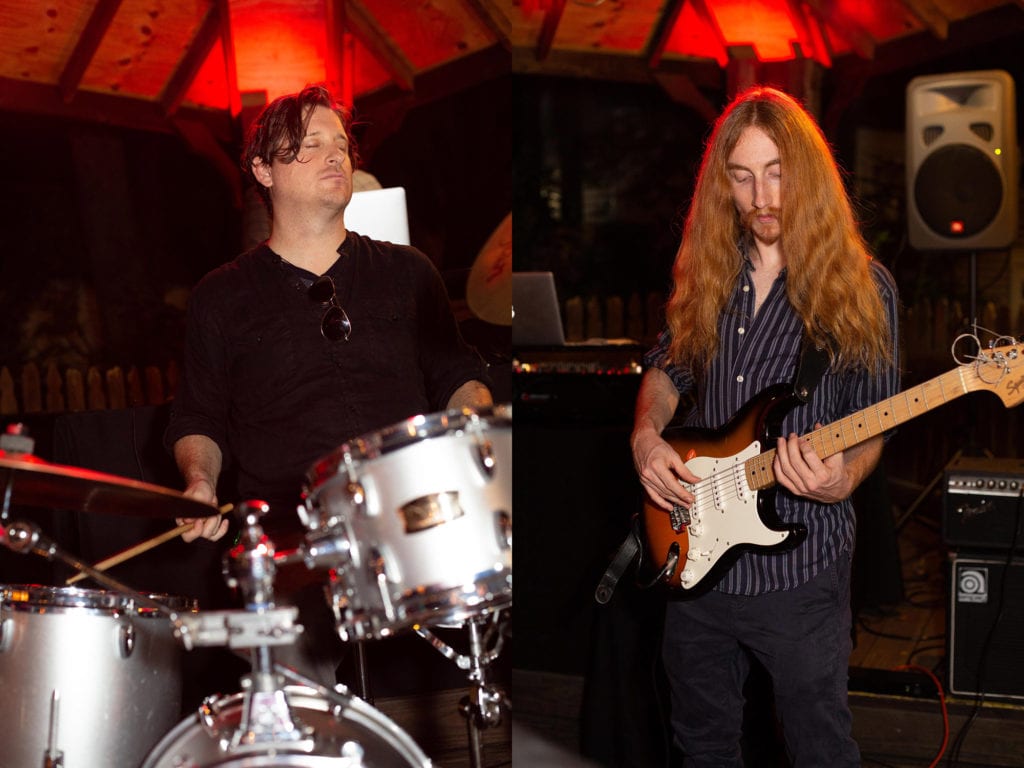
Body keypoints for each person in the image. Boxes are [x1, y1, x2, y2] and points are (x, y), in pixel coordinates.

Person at [164, 84, 493, 683]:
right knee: (291, 707)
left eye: (340, 145)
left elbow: (459, 376)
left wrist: (478, 429)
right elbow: (199, 417)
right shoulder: (222, 295)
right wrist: (199, 481)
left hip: (416, 518)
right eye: (309, 145)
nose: (334, 156)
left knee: (479, 677)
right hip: (296, 538)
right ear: (263, 169)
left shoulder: (408, 272)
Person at [630, 86, 900, 766]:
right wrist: (645, 434)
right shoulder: (707, 273)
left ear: (807, 174)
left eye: (777, 172)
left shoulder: (863, 286)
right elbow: (668, 369)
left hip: (802, 570)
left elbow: (878, 419)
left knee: (818, 749)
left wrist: (845, 480)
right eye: (743, 177)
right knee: (702, 745)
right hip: (696, 561)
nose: (761, 197)